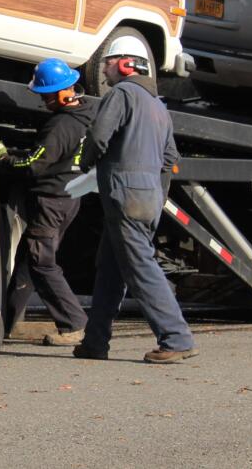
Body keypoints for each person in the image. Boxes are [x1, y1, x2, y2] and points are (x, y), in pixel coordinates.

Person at [73, 35, 197, 364]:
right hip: (148, 197)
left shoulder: (121, 94)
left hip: (123, 194)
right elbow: (170, 158)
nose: (105, 71)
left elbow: (99, 136)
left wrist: (83, 162)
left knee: (141, 267)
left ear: (126, 64)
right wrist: (157, 195)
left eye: (108, 64)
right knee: (110, 270)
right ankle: (95, 342)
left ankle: (176, 337)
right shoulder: (159, 107)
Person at [0, 58, 94, 346]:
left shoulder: (60, 125)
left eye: (45, 95)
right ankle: (5, 322)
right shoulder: (87, 114)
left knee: (40, 261)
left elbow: (34, 165)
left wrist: (3, 157)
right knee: (27, 261)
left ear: (61, 93)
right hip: (69, 198)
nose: (43, 101)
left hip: (50, 201)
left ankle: (74, 324)